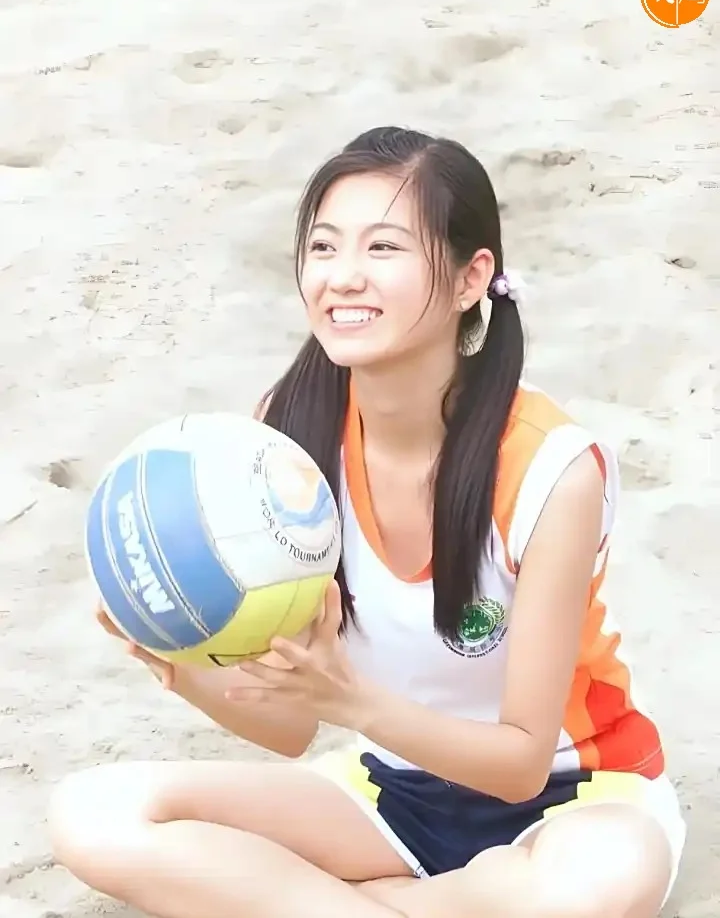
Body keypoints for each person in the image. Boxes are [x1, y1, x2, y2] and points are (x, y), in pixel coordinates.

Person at [48, 126, 686, 918]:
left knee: (590, 886)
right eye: (323, 247)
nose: (342, 276)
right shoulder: (284, 442)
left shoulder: (551, 469)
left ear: (470, 278)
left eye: (383, 247)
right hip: (394, 797)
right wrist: (178, 665)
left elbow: (522, 763)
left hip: (577, 795)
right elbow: (289, 727)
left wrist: (350, 703)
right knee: (95, 813)